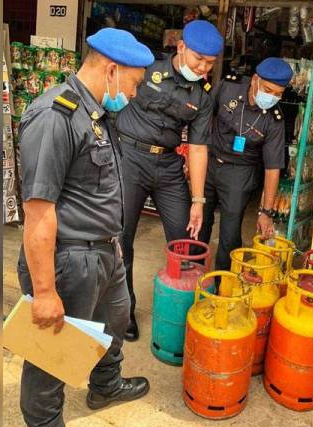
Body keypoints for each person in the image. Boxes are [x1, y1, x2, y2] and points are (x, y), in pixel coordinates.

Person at [16, 28, 154, 427]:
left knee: (113, 324)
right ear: (112, 69)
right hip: (69, 259)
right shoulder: (55, 116)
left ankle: (105, 385)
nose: (133, 94)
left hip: (105, 251)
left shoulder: (96, 113)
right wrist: (44, 291)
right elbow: (38, 212)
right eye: (133, 83)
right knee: (52, 356)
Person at [116, 20, 224, 341]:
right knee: (122, 238)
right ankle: (125, 311)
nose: (203, 68)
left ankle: (182, 311)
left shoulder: (203, 97)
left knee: (183, 243)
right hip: (129, 159)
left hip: (168, 166)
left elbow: (199, 147)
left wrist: (198, 200)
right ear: (181, 48)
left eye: (209, 64)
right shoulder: (147, 67)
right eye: (198, 60)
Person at [198, 57, 294, 271]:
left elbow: (272, 169)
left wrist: (266, 212)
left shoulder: (274, 120)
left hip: (239, 174)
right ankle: (193, 273)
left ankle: (224, 284)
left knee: (229, 235)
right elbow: (204, 115)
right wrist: (194, 153)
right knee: (199, 224)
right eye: (268, 90)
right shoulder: (229, 87)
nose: (272, 97)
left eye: (278, 94)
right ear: (255, 79)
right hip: (210, 162)